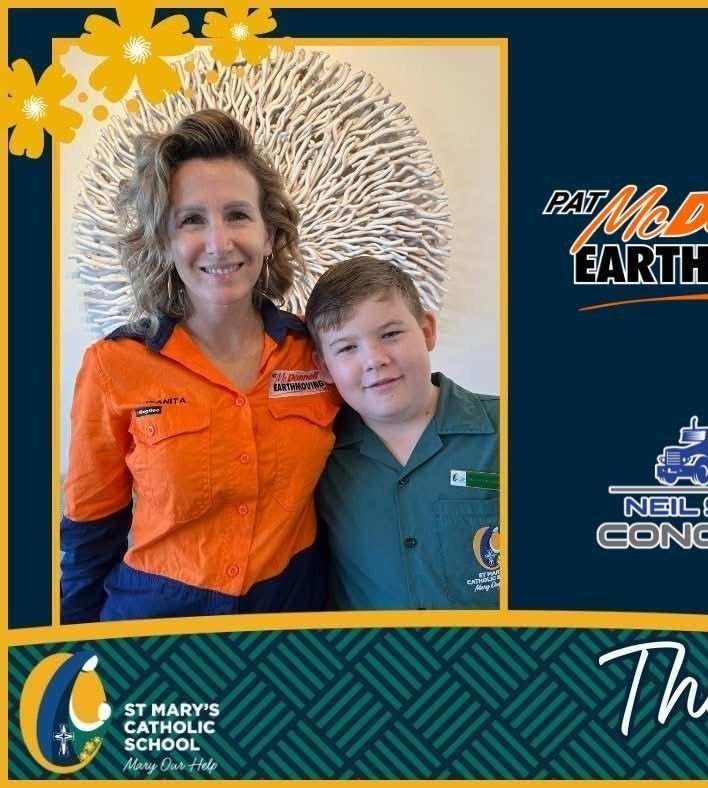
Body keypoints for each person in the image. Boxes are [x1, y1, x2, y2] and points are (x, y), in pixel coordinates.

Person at [61, 109, 339, 622]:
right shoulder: (112, 366)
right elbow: (89, 531)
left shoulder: (319, 350)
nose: (219, 242)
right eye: (191, 220)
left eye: (237, 215)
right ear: (165, 243)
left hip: (292, 619)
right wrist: (68, 654)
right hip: (156, 621)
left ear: (270, 234)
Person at [305, 256, 499, 609]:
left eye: (391, 334)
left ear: (427, 332)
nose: (374, 359)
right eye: (347, 348)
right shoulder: (316, 458)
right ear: (324, 367)